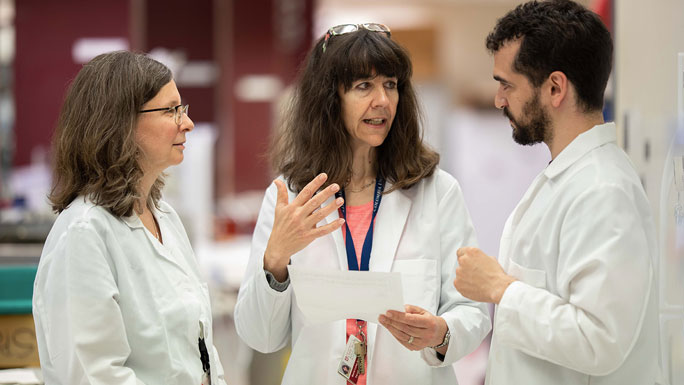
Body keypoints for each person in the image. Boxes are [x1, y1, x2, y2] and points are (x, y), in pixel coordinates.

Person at [234, 23, 491, 385]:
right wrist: (275, 261)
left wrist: (442, 332)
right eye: (363, 86)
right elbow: (259, 335)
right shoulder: (290, 196)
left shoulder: (436, 192)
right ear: (329, 99)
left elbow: (473, 309)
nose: (383, 101)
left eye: (390, 84)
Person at [453, 1, 662, 384]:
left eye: (506, 85)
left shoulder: (602, 191)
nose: (499, 100)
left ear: (554, 88)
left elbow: (600, 339)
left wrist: (499, 288)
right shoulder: (569, 179)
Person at [32, 51, 226, 385]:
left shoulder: (164, 216)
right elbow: (93, 375)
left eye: (183, 109)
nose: (187, 123)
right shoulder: (84, 233)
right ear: (119, 124)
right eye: (170, 110)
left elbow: (199, 347)